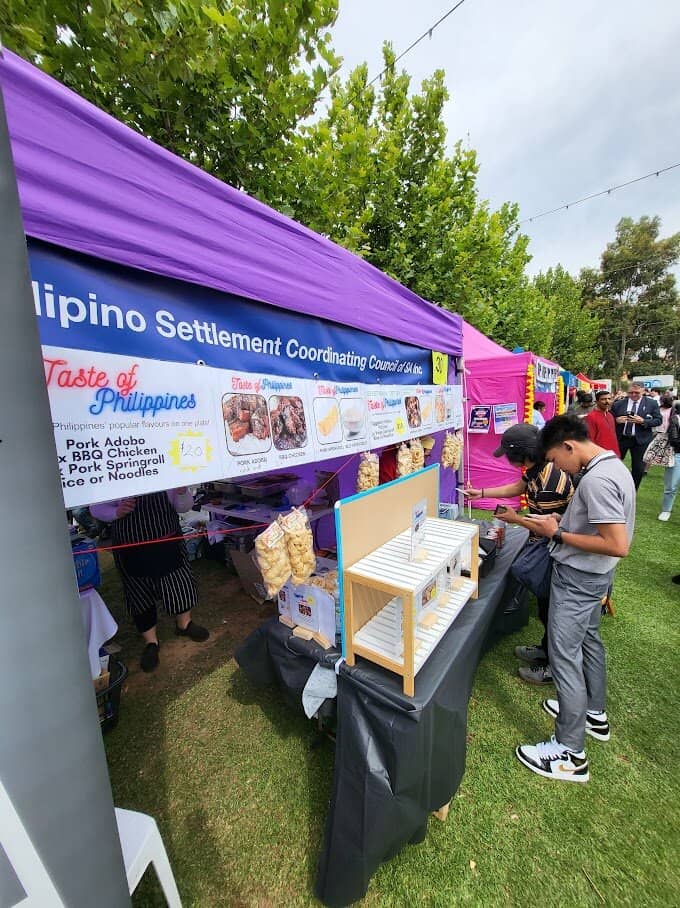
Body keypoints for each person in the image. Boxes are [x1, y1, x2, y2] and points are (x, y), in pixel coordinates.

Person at [515, 414, 635, 783]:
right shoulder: (611, 466)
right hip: (595, 576)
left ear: (568, 446)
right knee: (589, 641)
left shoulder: (597, 480)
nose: (557, 468)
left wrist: (558, 535)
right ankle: (594, 713)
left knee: (564, 656)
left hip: (579, 578)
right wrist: (559, 522)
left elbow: (617, 544)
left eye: (555, 459)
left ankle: (569, 753)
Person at [464, 423, 574, 685]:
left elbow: (549, 528)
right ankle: (545, 649)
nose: (507, 459)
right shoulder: (537, 468)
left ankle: (552, 667)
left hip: (555, 550)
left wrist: (516, 519)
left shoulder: (549, 484)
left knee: (552, 610)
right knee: (546, 607)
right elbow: (516, 488)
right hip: (546, 542)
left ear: (522, 454)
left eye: (509, 454)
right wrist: (481, 493)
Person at [90, 488, 209, 673]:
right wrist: (115, 512)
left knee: (179, 582)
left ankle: (184, 625)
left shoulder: (164, 473)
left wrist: (181, 492)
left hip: (168, 541)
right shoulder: (112, 476)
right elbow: (96, 508)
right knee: (138, 591)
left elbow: (184, 507)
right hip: (130, 546)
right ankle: (151, 642)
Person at [610, 382, 662, 489]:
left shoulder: (651, 403)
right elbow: (609, 419)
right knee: (614, 465)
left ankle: (632, 491)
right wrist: (616, 420)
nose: (633, 395)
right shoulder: (618, 403)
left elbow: (658, 420)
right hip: (621, 439)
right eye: (630, 392)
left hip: (641, 440)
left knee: (638, 469)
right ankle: (613, 488)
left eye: (636, 393)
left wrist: (643, 421)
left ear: (643, 391)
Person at [658, 401, 680, 521]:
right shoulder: (676, 419)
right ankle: (666, 510)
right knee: (671, 485)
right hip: (677, 455)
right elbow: (673, 439)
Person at [585, 391, 620, 456]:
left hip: (613, 452)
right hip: (600, 454)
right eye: (603, 399)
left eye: (609, 399)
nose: (607, 401)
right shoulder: (591, 417)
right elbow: (590, 438)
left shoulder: (610, 415)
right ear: (596, 402)